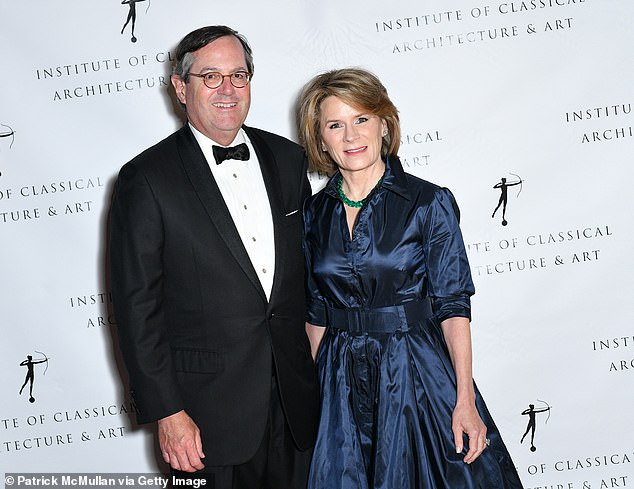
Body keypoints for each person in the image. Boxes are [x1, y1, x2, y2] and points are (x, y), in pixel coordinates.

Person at [108, 25, 319, 488]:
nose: (227, 89)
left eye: (238, 75)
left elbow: (307, 279)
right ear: (181, 88)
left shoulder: (287, 159)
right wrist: (168, 412)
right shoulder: (145, 179)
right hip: (204, 421)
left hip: (297, 408)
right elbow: (136, 308)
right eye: (210, 77)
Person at [297, 68, 523, 489]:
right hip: (338, 381)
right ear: (320, 138)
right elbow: (316, 315)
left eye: (362, 118)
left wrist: (464, 399)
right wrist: (306, 403)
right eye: (335, 125)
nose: (351, 135)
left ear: (384, 123)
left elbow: (454, 309)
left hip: (414, 374)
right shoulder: (313, 214)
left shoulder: (428, 201)